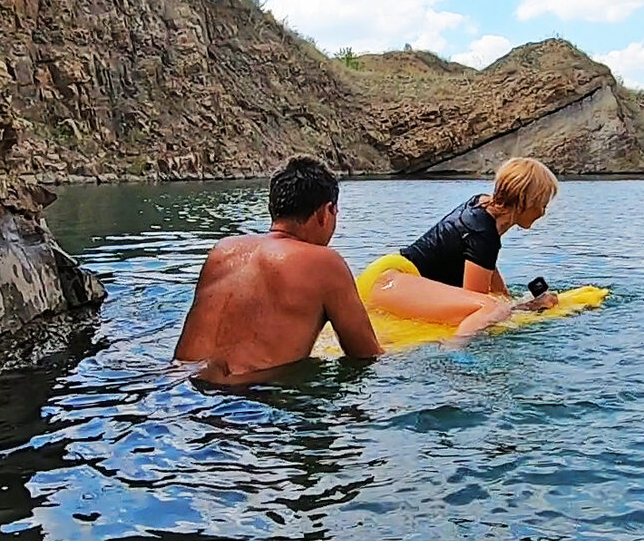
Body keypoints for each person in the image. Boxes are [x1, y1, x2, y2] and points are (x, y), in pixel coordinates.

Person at [174, 156, 383, 384]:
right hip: (248, 400)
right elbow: (366, 355)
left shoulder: (222, 251)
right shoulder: (325, 264)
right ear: (326, 211)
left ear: (272, 207)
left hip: (179, 386)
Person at [359, 157, 560, 342]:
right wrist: (527, 308)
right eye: (542, 204)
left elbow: (485, 264)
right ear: (525, 201)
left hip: (387, 274)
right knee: (492, 308)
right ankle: (456, 355)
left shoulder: (482, 206)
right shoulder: (483, 235)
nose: (543, 212)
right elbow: (478, 304)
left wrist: (507, 298)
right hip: (389, 284)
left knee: (498, 303)